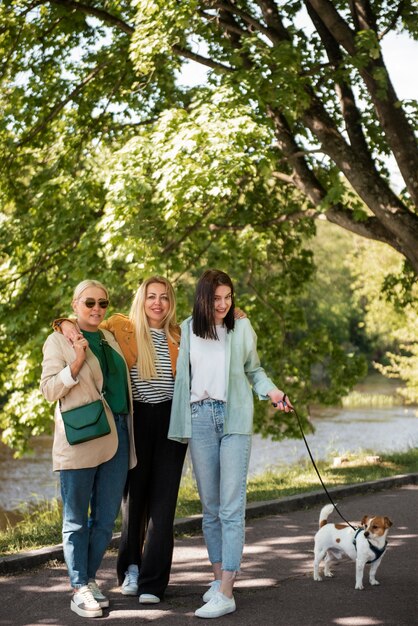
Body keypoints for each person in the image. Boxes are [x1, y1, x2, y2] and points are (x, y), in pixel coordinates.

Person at [54, 276, 187, 604]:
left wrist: (235, 312)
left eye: (164, 298)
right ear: (141, 300)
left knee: (163, 506)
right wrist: (67, 327)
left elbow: (213, 323)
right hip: (135, 418)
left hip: (171, 421)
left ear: (171, 303)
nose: (158, 303)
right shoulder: (120, 326)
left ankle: (153, 583)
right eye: (151, 296)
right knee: (133, 501)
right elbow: (81, 320)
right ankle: (130, 568)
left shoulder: (180, 335)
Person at [168, 269, 293, 619]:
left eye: (228, 297)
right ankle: (217, 579)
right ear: (203, 298)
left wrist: (273, 391)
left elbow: (254, 370)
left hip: (234, 417)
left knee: (231, 508)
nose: (223, 304)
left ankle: (227, 591)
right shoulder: (188, 328)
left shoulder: (242, 327)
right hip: (199, 418)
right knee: (209, 507)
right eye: (216, 298)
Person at [40, 280, 137, 619]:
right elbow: (50, 389)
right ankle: (79, 585)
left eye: (102, 303)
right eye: (89, 303)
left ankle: (90, 579)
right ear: (75, 304)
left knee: (106, 517)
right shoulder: (58, 340)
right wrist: (76, 362)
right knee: (75, 519)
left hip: (118, 435)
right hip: (81, 437)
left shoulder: (110, 336)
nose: (96, 309)